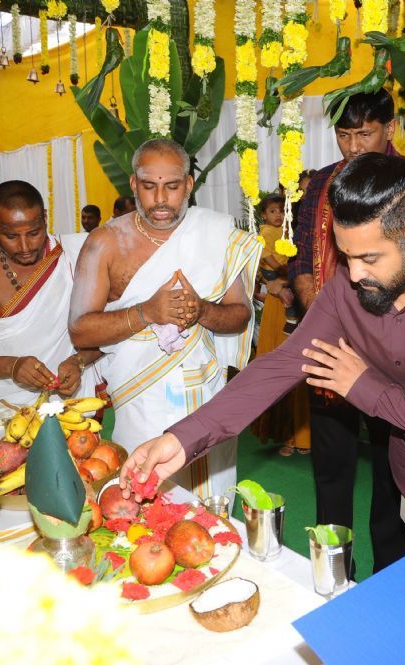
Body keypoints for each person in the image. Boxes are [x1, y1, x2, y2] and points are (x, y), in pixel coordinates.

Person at [120, 154, 405, 585]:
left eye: (369, 258)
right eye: (346, 256)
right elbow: (281, 365)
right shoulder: (351, 288)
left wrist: (364, 387)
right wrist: (182, 439)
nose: (353, 275)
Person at [287, 89, 405, 574]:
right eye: (344, 135)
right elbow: (301, 258)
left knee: (393, 474)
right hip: (328, 345)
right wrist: (320, 311)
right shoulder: (320, 183)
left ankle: (389, 582)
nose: (354, 147)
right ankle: (334, 575)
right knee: (330, 470)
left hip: (392, 348)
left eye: (365, 133)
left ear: (390, 128)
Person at [68, 138, 261, 503]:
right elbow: (80, 330)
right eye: (148, 186)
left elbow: (240, 315)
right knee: (143, 499)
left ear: (188, 184)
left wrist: (202, 311)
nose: (160, 199)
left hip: (205, 392)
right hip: (141, 399)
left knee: (211, 507)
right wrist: (147, 312)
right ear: (133, 184)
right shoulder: (104, 243)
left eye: (172, 186)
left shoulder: (215, 234)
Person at [0, 181, 99, 406]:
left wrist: (79, 361)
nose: (25, 246)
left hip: (70, 403)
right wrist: (12, 366)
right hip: (1, 408)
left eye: (34, 233)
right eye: (11, 236)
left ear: (45, 218)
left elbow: (109, 329)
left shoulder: (77, 253)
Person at [250, 193, 310, 456]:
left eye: (281, 211)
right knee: (278, 367)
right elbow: (263, 266)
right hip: (277, 305)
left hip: (299, 300)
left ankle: (304, 437)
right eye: (273, 211)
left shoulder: (292, 233)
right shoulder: (264, 234)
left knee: (300, 368)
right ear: (264, 214)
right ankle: (286, 436)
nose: (278, 215)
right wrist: (279, 278)